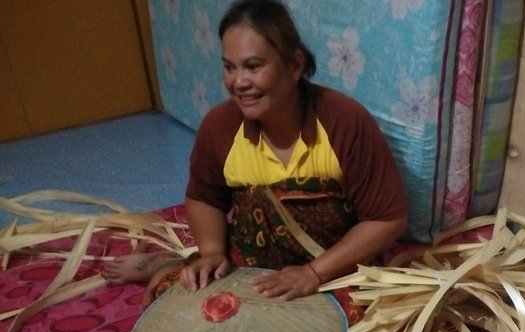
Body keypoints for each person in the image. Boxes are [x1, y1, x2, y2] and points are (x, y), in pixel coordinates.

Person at [103, 0, 408, 304]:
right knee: (173, 303)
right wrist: (211, 253)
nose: (238, 82)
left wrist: (313, 273)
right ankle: (167, 263)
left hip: (333, 270)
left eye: (253, 66)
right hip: (250, 267)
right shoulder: (220, 127)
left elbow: (386, 219)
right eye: (229, 67)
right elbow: (203, 198)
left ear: (294, 66)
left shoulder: (345, 122)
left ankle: (168, 261)